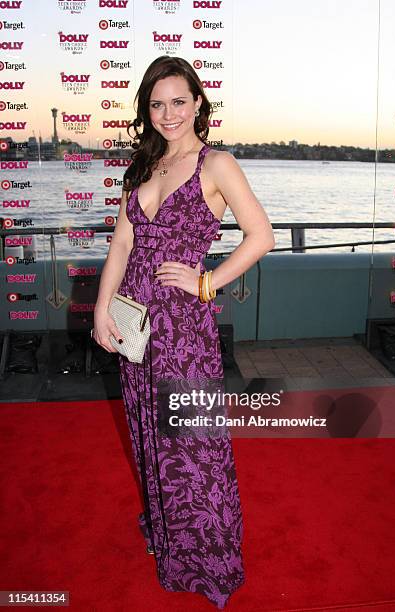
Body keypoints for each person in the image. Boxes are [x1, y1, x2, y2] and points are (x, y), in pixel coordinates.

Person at [93, 55, 275, 609]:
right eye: (156, 104)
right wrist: (102, 308)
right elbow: (122, 244)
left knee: (192, 444)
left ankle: (209, 559)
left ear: (198, 101)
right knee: (151, 431)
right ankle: (170, 539)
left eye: (178, 100)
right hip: (136, 324)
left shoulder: (215, 164)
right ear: (145, 111)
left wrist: (207, 282)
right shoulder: (143, 166)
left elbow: (260, 235)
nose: (168, 113)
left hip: (182, 327)